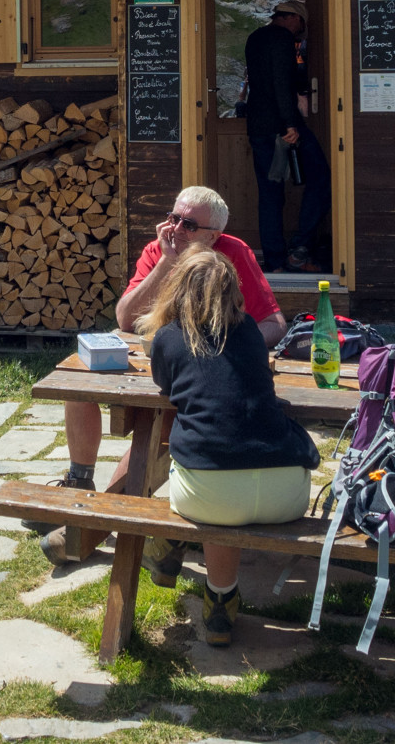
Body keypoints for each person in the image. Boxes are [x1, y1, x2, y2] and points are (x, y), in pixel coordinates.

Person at [33, 186, 287, 563]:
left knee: (163, 426)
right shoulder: (159, 248)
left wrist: (229, 349)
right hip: (161, 359)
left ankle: (93, 522)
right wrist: (167, 262)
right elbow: (126, 319)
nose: (174, 228)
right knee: (78, 385)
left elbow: (273, 324)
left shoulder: (234, 253)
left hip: (203, 371)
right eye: (172, 217)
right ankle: (80, 483)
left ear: (213, 236)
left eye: (187, 224)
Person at [143, 248, 318, 645]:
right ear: (233, 291)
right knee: (222, 459)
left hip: (210, 495)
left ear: (177, 289)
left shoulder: (168, 338)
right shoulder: (252, 333)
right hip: (287, 495)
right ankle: (218, 599)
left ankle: (173, 547)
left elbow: (167, 390)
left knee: (193, 463)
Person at [244, 0, 329, 272]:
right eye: (300, 27)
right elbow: (282, 82)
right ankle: (300, 248)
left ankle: (276, 261)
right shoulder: (281, 39)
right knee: (321, 177)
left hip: (259, 126)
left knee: (271, 193)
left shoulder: (254, 38)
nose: (298, 34)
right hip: (282, 128)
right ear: (293, 19)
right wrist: (290, 124)